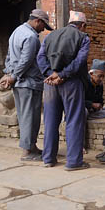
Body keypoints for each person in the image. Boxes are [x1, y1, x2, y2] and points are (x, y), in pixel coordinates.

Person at [37, 11, 90, 171]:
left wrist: (50, 74)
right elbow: (80, 61)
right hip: (71, 83)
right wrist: (62, 75)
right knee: (74, 120)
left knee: (50, 121)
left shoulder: (49, 36)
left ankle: (48, 159)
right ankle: (73, 162)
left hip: (50, 83)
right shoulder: (83, 38)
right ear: (82, 25)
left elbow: (40, 58)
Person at [0, 9, 52, 161]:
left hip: (20, 83)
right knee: (31, 117)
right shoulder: (31, 37)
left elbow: (9, 57)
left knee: (25, 116)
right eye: (43, 26)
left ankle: (31, 147)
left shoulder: (17, 32)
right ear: (37, 21)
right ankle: (27, 152)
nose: (43, 29)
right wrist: (13, 77)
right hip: (28, 83)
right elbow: (26, 61)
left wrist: (9, 73)